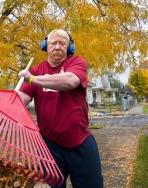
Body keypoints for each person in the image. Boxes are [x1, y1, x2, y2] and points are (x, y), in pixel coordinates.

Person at [18, 29, 103, 188]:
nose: (57, 47)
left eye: (62, 43)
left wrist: (33, 79)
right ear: (45, 46)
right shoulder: (36, 70)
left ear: (69, 47)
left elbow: (70, 81)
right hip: (49, 145)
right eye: (53, 43)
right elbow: (22, 99)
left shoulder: (77, 62)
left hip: (80, 141)